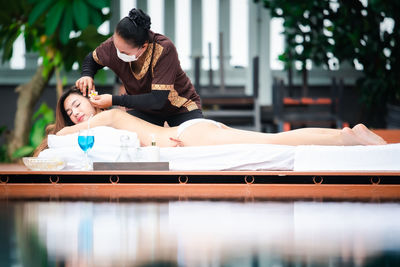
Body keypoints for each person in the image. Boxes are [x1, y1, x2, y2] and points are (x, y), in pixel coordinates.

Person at [34, 87, 387, 156]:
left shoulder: (108, 116)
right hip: (192, 133)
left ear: (91, 99)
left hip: (193, 136)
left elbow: (65, 135)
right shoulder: (112, 125)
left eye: (77, 105)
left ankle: (348, 137)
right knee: (269, 140)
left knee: (273, 142)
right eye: (70, 112)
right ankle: (346, 136)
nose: (75, 113)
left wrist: (57, 131)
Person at [75, 8, 203, 127]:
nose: (118, 54)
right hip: (142, 109)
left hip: (180, 106)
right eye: (116, 46)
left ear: (144, 46)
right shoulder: (113, 45)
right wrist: (87, 74)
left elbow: (157, 100)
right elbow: (91, 59)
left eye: (124, 53)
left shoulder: (164, 49)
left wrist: (113, 100)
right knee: (133, 142)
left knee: (191, 142)